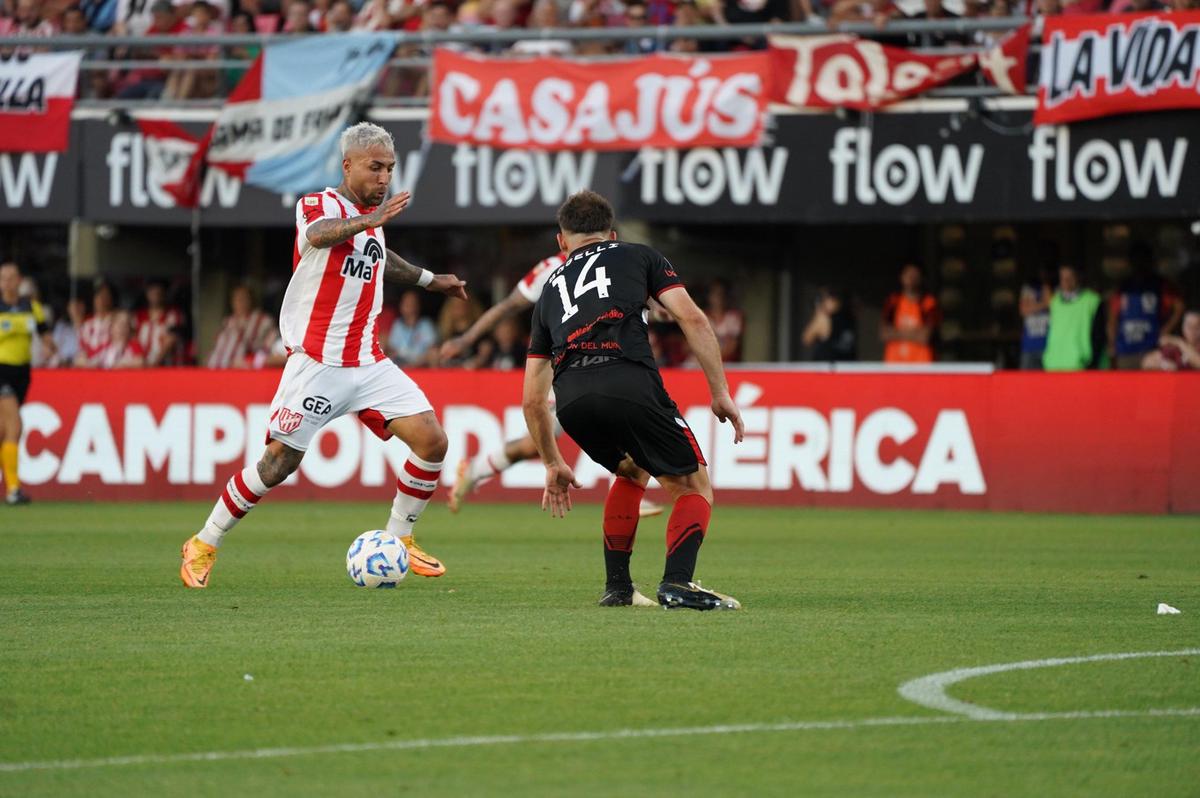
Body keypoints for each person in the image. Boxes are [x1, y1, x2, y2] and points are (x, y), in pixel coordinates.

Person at [180, 122, 468, 589]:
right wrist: (368, 221)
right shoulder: (319, 205)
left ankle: (400, 538)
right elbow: (319, 236)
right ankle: (204, 541)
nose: (383, 178)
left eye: (389, 169)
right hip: (317, 363)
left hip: (369, 362)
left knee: (433, 441)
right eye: (374, 168)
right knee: (278, 464)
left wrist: (432, 280)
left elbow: (381, 259)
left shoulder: (370, 226)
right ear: (347, 165)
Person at [523, 191, 746, 611]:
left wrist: (553, 462)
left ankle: (618, 589)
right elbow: (692, 317)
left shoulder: (549, 290)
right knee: (692, 484)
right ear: (612, 233)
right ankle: (678, 584)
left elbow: (533, 400)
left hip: (571, 401)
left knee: (632, 469)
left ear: (561, 243)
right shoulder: (640, 255)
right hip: (627, 380)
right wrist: (720, 392)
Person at [441, 252, 664, 519]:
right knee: (544, 440)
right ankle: (629, 491)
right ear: (564, 240)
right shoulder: (551, 268)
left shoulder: (614, 260)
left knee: (549, 438)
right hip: (563, 367)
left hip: (598, 361)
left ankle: (475, 470)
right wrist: (466, 340)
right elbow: (508, 306)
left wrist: (657, 311)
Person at [0, 262, 54, 505]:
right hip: (1, 370)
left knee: (4, 430)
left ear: (19, 280)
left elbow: (44, 334)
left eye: (12, 277)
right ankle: (13, 490)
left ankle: (11, 487)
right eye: (4, 278)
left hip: (22, 372)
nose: (8, 282)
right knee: (15, 425)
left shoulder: (31, 307)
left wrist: (51, 346)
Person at [1107, 244, 1183, 371]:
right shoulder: (1123, 287)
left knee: (1152, 388)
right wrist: (1112, 345)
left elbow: (1179, 307)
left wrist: (1165, 331)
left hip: (1152, 350)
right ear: (1130, 262)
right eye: (1136, 259)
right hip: (1126, 351)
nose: (1139, 264)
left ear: (1150, 261)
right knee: (1125, 388)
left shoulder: (1159, 285)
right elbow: (1112, 319)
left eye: (1143, 259)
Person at [1042, 265, 1105, 371]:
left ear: (1078, 277)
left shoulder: (1092, 300)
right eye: (1062, 277)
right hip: (1053, 365)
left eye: (1070, 277)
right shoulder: (1055, 301)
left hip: (1081, 366)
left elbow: (1099, 336)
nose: (1066, 281)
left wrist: (1092, 364)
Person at [205, 285, 277, 369]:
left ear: (251, 300)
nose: (239, 302)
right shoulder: (227, 322)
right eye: (236, 299)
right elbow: (216, 347)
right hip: (215, 369)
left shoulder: (263, 320)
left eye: (243, 298)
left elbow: (267, 349)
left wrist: (251, 360)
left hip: (243, 371)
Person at [881, 263, 940, 363]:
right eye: (908, 275)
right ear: (901, 277)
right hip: (895, 364)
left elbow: (925, 336)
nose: (911, 279)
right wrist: (915, 333)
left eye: (914, 275)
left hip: (921, 365)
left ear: (921, 278)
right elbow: (884, 333)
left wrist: (896, 332)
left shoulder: (928, 303)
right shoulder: (893, 301)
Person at [134, 280, 185, 366]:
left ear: (164, 294)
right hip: (142, 364)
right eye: (152, 293)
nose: (155, 296)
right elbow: (133, 338)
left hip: (167, 365)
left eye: (159, 293)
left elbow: (171, 339)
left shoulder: (174, 314)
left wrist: (155, 363)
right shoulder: (139, 315)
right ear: (147, 294)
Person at [801, 287, 856, 361]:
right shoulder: (823, 318)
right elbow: (807, 339)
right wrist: (820, 311)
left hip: (845, 366)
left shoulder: (849, 316)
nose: (832, 301)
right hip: (826, 367)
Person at [386, 289, 438, 367]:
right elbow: (392, 349)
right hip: (401, 363)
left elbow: (431, 348)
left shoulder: (426, 325)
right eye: (406, 303)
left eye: (413, 303)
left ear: (418, 305)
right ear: (401, 306)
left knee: (433, 353)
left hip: (421, 362)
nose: (410, 306)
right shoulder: (397, 324)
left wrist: (414, 364)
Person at [76, 279, 117, 366]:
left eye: (105, 295)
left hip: (110, 367)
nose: (101, 299)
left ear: (111, 299)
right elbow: (82, 351)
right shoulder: (87, 325)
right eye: (98, 295)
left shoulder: (117, 322)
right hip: (90, 369)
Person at [1018, 270, 1052, 370]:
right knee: (1025, 382)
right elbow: (1023, 310)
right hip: (1029, 345)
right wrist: (1042, 304)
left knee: (1047, 382)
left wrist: (1033, 306)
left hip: (1046, 345)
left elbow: (1050, 304)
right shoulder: (1027, 288)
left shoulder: (1049, 288)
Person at [705, 279, 744, 362]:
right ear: (709, 296)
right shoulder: (702, 316)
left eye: (722, 294)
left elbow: (732, 347)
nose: (719, 298)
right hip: (701, 362)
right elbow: (688, 346)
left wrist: (713, 361)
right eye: (715, 294)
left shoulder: (733, 317)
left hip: (726, 363)